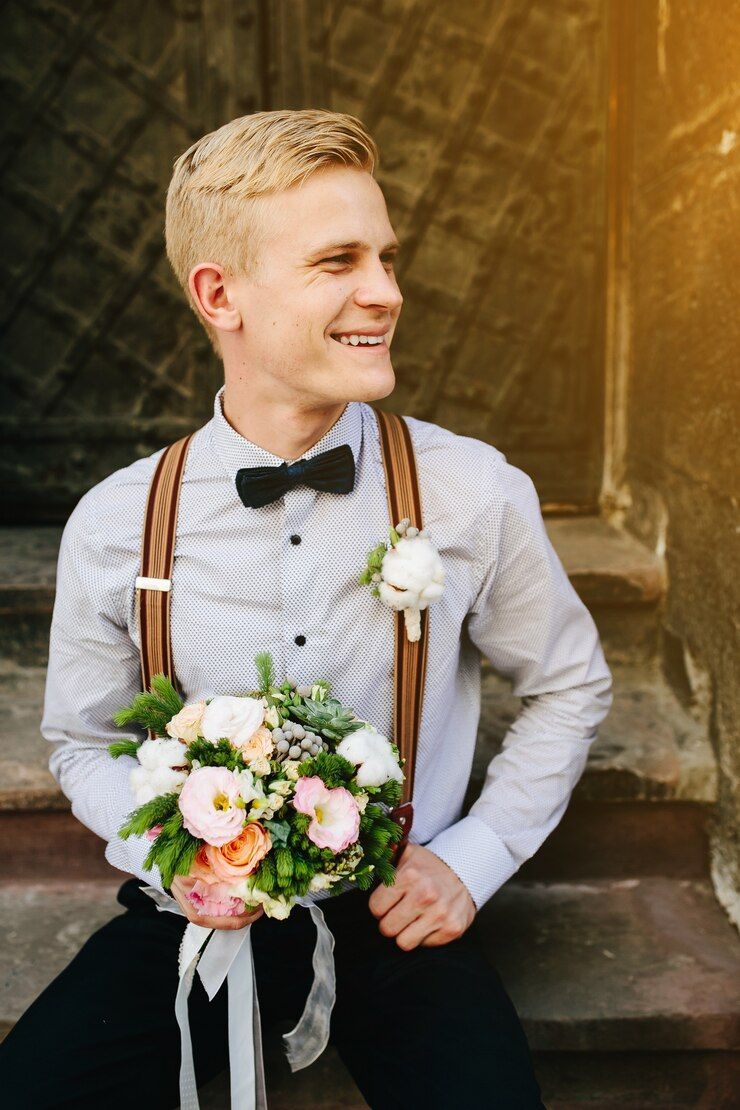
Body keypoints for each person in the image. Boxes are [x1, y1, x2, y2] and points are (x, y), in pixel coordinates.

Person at [0, 109, 612, 1108]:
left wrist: (475, 854)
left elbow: (566, 685)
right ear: (219, 293)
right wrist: (178, 850)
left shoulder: (471, 492)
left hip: (397, 912)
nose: (387, 291)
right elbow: (81, 739)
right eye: (338, 261)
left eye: (385, 256)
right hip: (196, 916)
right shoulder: (116, 524)